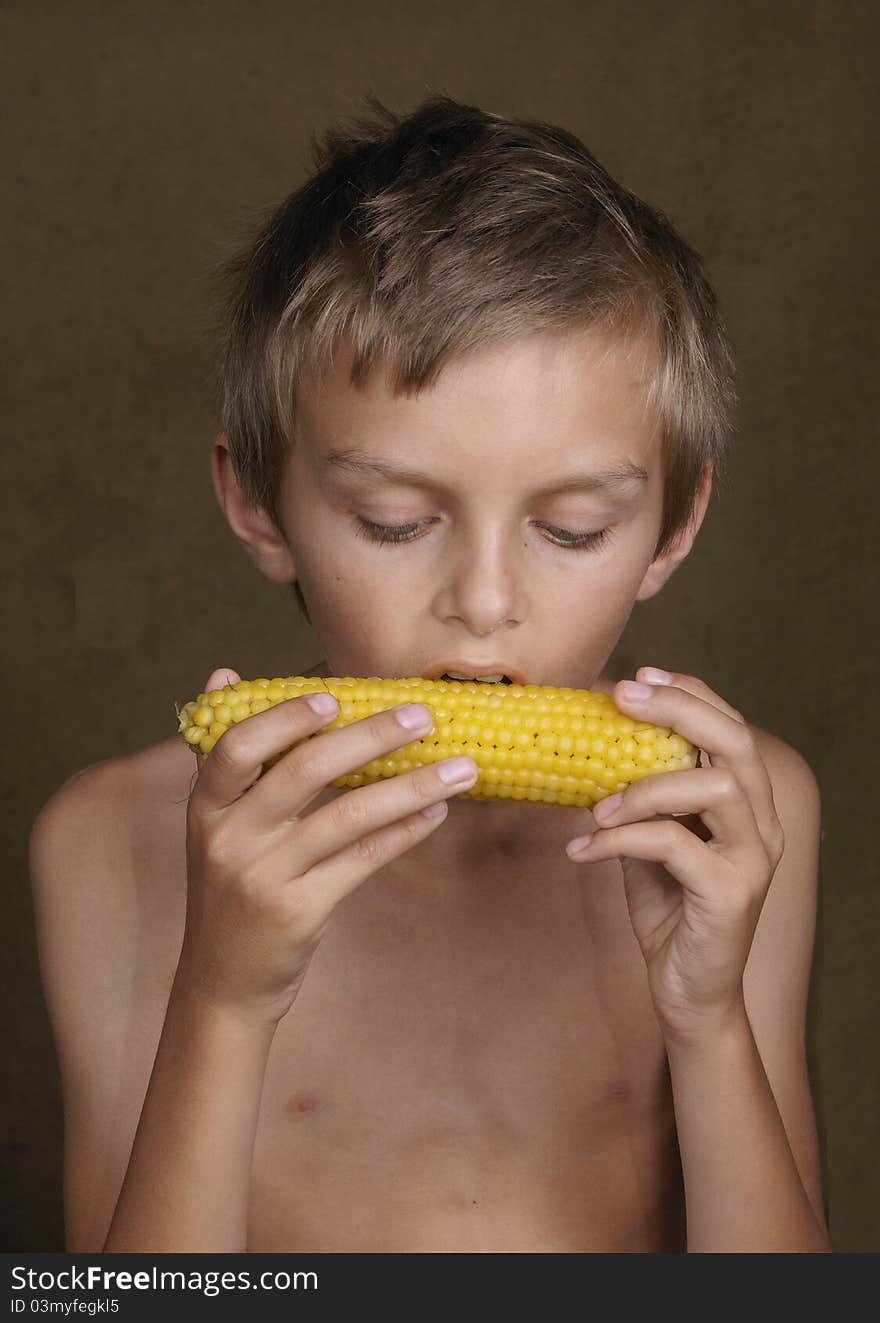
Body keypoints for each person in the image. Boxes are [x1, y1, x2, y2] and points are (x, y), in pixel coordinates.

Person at [28, 93, 831, 1253]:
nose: (488, 601)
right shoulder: (109, 841)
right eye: (397, 521)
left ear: (669, 530)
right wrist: (221, 1001)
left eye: (569, 530)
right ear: (258, 505)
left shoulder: (744, 814)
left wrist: (707, 1025)